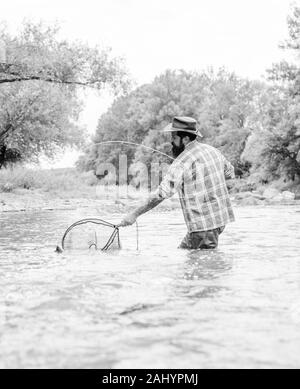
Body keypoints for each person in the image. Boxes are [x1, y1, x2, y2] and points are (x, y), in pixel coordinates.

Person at [118, 116, 235, 249]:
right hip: (219, 221)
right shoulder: (213, 151)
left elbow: (161, 194)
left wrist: (134, 214)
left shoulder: (182, 162)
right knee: (187, 254)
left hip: (204, 226)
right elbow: (230, 172)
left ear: (185, 139)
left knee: (200, 265)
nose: (171, 142)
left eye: (174, 138)